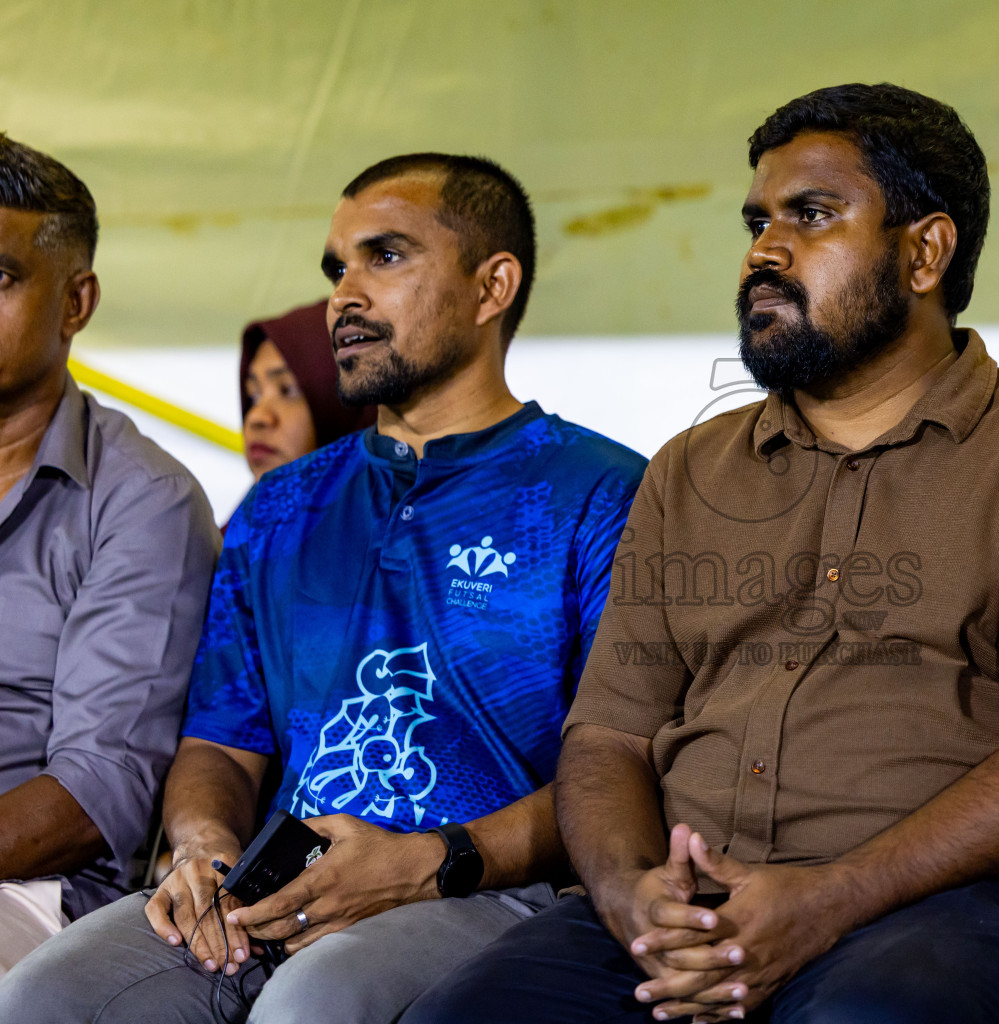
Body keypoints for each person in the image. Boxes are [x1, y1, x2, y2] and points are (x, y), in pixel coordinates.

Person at [404, 83, 999, 1024]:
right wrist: (632, 900)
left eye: (812, 216)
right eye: (758, 221)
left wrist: (829, 898)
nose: (765, 252)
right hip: (691, 904)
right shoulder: (693, 468)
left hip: (960, 909)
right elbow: (609, 736)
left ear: (925, 252)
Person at [0, 152, 647, 1022]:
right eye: (336, 266)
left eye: (385, 257)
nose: (345, 293)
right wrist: (205, 849)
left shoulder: (602, 493)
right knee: (48, 995)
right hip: (273, 890)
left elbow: (623, 759)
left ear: (493, 286)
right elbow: (223, 745)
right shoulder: (280, 508)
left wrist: (434, 859)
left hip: (485, 889)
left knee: (313, 1005)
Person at [0, 134, 219, 975]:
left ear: (76, 301)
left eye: (0, 277)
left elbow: (99, 788)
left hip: (36, 888)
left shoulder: (142, 500)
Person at [239, 299, 375, 481]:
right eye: (253, 395)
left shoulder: (409, 505)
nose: (256, 418)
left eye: (287, 390)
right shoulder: (253, 508)